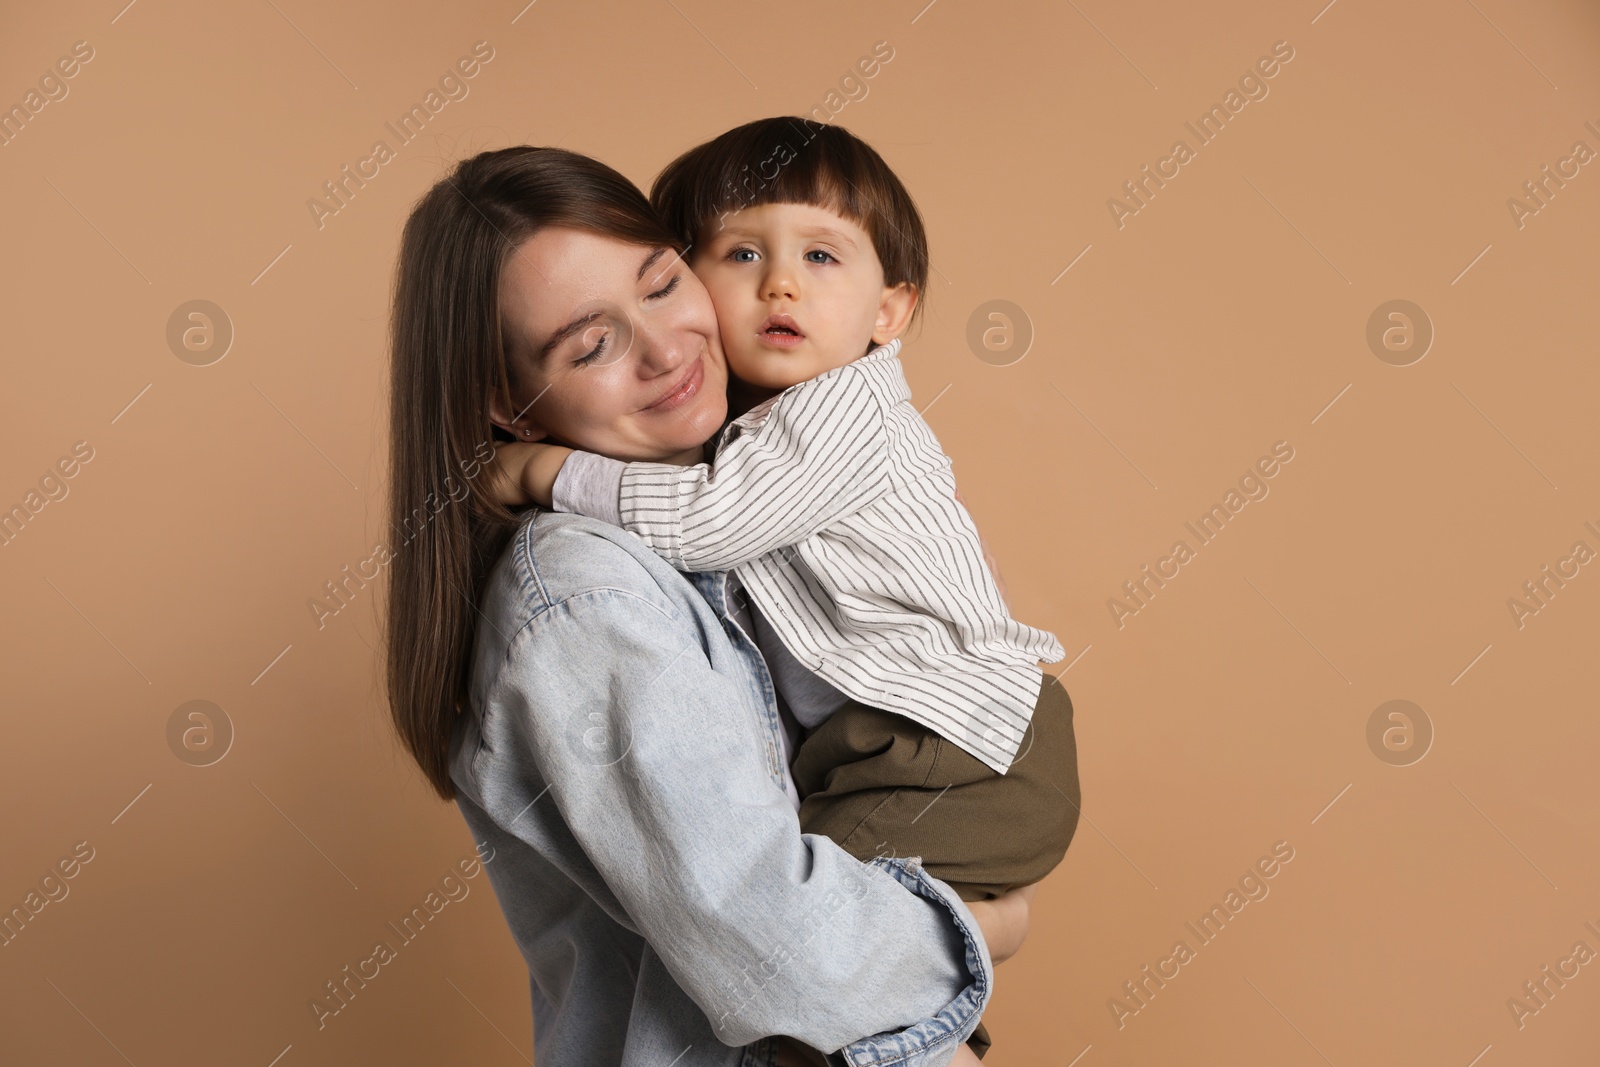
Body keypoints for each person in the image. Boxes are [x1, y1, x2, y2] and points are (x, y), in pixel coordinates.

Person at [384, 144, 1037, 1067]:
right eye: (591, 343)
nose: (664, 348)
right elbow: (785, 954)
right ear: (512, 408)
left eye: (660, 284)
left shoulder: (732, 505)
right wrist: (977, 929)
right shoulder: (588, 597)